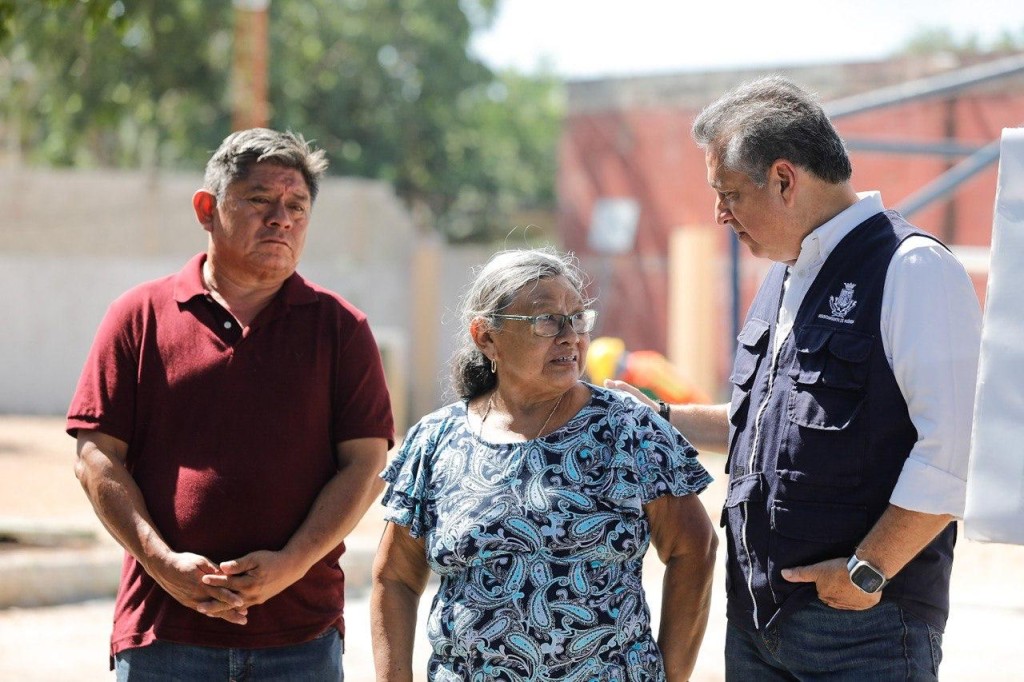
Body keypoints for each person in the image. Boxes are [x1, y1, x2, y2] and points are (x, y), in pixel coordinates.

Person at [609, 76, 982, 680]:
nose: (719, 214)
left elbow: (954, 451)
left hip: (863, 628)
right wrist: (655, 417)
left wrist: (867, 571)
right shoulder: (787, 274)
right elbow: (765, 432)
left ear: (784, 179)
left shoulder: (912, 269)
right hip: (758, 624)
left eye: (729, 192)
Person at [67, 128, 394, 679]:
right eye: (260, 199)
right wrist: (163, 564)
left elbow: (365, 465)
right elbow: (96, 457)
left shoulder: (341, 329)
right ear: (206, 208)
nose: (281, 218)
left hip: (300, 639)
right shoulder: (138, 317)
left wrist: (288, 567)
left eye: (297, 206)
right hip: (163, 636)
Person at [370, 248, 718, 681]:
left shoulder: (628, 429)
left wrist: (672, 675)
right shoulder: (437, 441)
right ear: (485, 337)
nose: (570, 335)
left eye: (577, 318)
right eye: (547, 320)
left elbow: (695, 549)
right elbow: (395, 578)